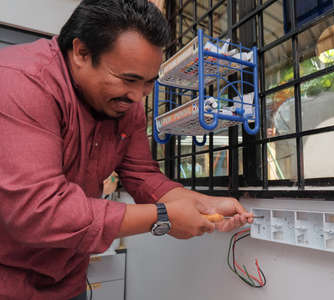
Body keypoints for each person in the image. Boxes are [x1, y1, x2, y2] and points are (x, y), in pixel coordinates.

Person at [0, 0, 253, 299]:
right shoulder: (21, 81)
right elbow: (39, 211)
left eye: (148, 83)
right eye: (128, 79)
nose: (136, 96)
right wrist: (163, 216)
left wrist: (202, 203)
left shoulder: (126, 105)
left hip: (67, 279)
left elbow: (142, 175)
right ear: (82, 52)